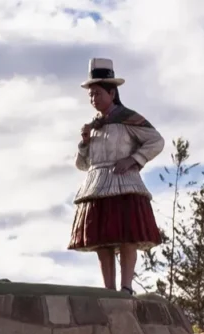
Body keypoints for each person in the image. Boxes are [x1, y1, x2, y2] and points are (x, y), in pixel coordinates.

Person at [70, 58, 165, 295]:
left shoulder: (128, 119)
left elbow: (157, 141)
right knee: (102, 240)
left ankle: (126, 287)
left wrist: (133, 159)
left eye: (98, 93)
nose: (94, 98)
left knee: (127, 236)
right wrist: (84, 143)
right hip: (96, 184)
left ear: (112, 93)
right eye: (91, 94)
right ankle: (108, 289)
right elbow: (82, 164)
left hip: (123, 182)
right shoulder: (92, 127)